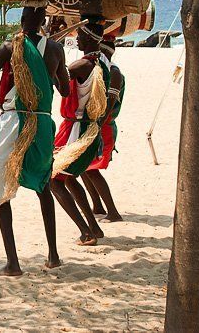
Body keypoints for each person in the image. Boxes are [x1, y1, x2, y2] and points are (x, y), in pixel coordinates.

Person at [0, 5, 69, 276]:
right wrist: (52, 67)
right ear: (43, 22)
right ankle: (53, 255)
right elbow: (65, 89)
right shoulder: (56, 50)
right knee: (43, 186)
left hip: (13, 123)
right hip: (41, 126)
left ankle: (13, 263)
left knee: (2, 189)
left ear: (23, 19)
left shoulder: (9, 47)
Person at [50, 19, 110, 246]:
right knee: (69, 179)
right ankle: (93, 227)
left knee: (54, 180)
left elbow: (58, 78)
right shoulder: (102, 63)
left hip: (77, 128)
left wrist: (50, 45)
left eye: (81, 36)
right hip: (82, 127)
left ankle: (86, 232)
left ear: (90, 39)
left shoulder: (83, 65)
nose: (77, 39)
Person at [82, 36, 124, 222]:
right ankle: (97, 205)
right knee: (83, 168)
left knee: (91, 169)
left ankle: (113, 212)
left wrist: (96, 127)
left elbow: (109, 104)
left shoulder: (114, 73)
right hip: (95, 125)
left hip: (103, 126)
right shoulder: (104, 70)